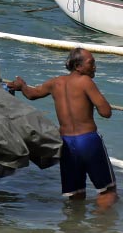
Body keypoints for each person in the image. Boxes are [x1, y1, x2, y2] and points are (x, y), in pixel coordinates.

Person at [8, 47, 116, 207]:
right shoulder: (85, 81)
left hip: (66, 144)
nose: (95, 67)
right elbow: (106, 112)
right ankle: (101, 221)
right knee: (108, 191)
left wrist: (22, 85)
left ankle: (74, 223)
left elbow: (32, 94)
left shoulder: (55, 83)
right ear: (78, 66)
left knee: (76, 194)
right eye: (91, 63)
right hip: (88, 141)